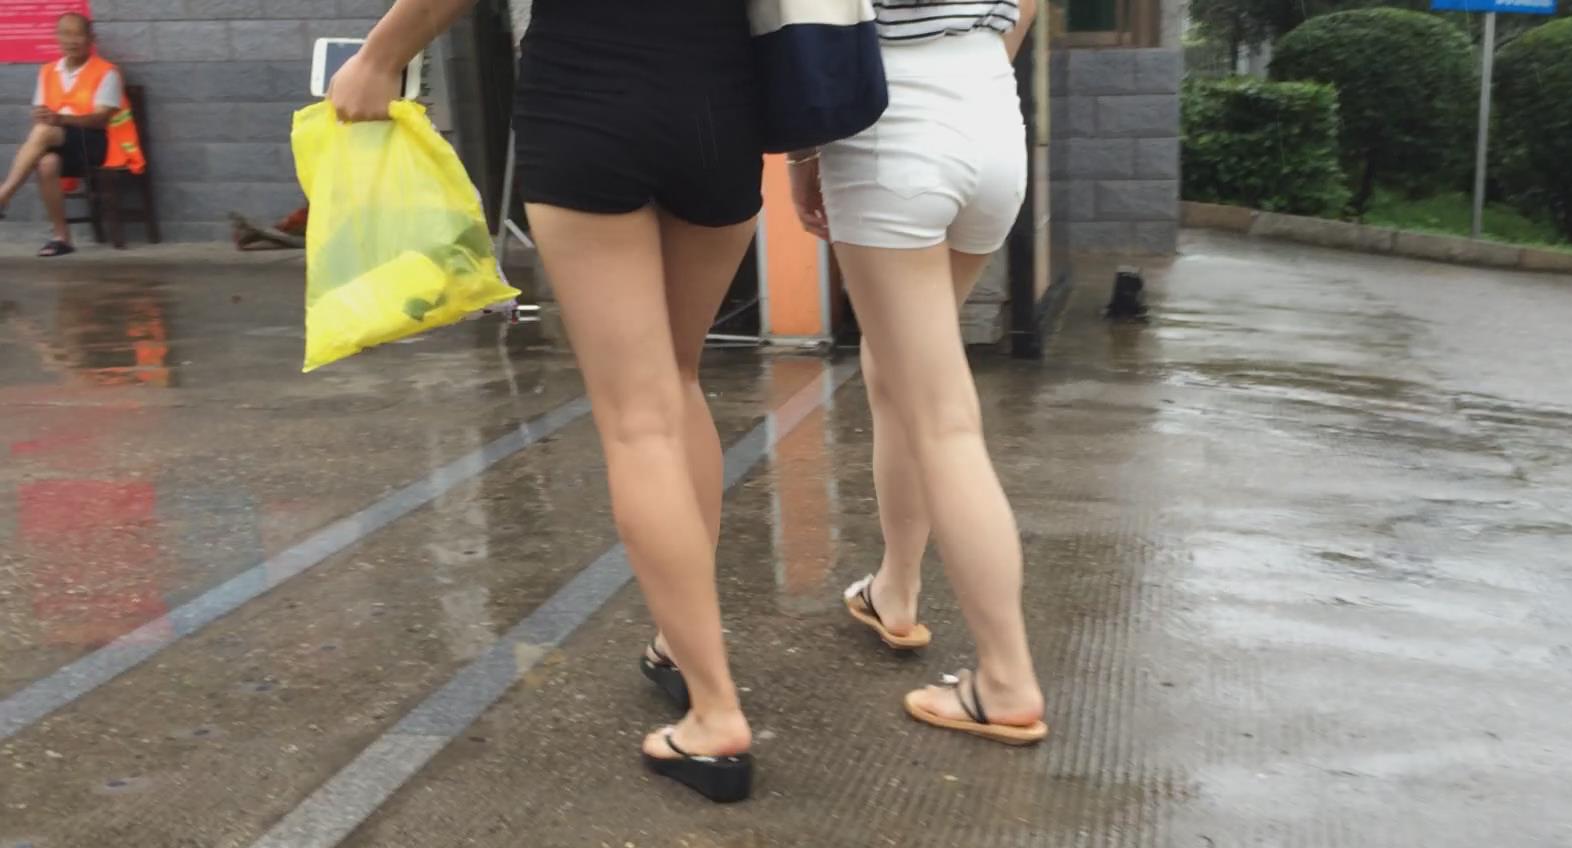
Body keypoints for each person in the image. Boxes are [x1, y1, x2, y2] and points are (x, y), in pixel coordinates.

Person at [330, 0, 765, 801]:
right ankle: (681, 644)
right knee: (676, 379)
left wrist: (379, 57)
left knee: (637, 423)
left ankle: (714, 713)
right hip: (722, 99)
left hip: (589, 93)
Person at [788, 0, 1048, 745]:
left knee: (943, 418)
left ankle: (1005, 679)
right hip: (991, 108)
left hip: (889, 122)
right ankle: (894, 590)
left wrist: (803, 157)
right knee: (898, 369)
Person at [0, 12, 145, 257]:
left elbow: (100, 119)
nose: (71, 40)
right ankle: (62, 238)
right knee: (46, 162)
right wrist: (44, 118)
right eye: (65, 34)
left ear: (91, 38)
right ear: (56, 38)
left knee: (44, 132)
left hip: (98, 143)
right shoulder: (48, 71)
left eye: (78, 34)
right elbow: (41, 114)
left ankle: (4, 194)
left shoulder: (106, 72)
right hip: (60, 142)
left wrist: (59, 120)